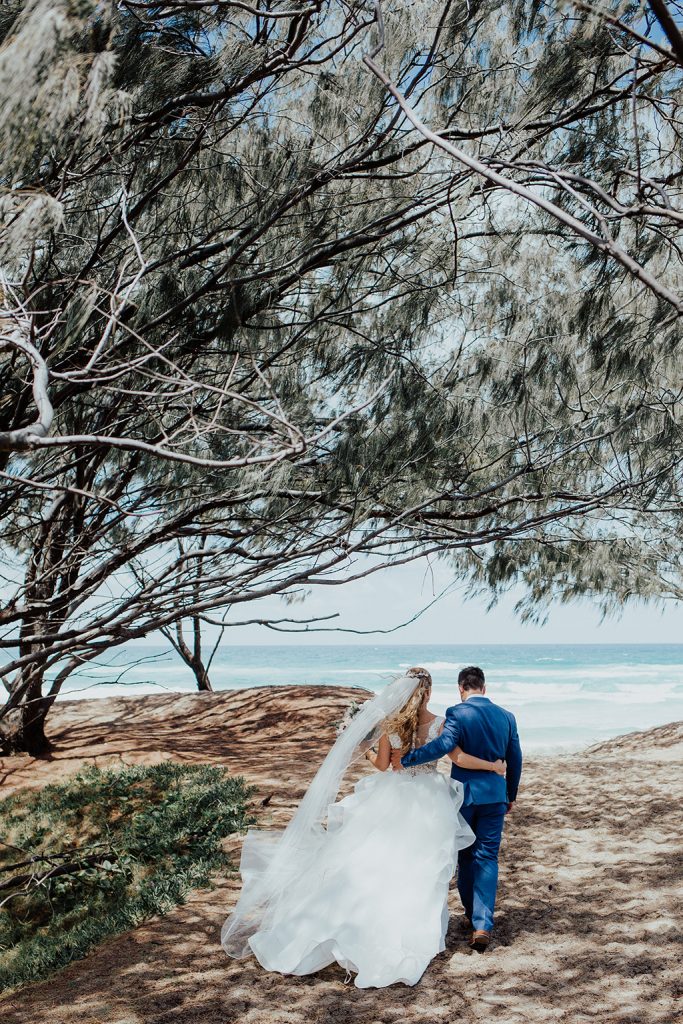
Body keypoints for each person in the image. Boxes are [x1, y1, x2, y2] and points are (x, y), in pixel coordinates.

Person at [222, 667, 506, 988]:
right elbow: (458, 757)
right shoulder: (441, 723)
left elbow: (383, 766)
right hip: (429, 801)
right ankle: (411, 931)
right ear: (427, 693)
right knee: (420, 870)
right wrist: (493, 766)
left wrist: (367, 749)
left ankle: (337, 927)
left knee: (369, 861)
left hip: (391, 795)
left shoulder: (390, 725)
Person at [399, 665, 522, 952]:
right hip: (495, 797)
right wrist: (510, 793)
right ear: (484, 687)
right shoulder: (507, 717)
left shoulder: (457, 713)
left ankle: (470, 914)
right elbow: (515, 758)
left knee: (465, 856)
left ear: (460, 688)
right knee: (488, 857)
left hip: (464, 797)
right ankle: (482, 924)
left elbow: (443, 745)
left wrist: (408, 759)